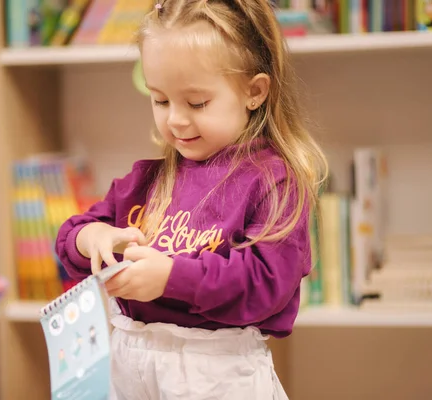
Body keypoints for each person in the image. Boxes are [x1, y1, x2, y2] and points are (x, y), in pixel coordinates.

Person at [55, 0, 328, 398]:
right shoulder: (146, 181)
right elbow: (69, 240)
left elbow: (265, 286)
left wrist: (171, 278)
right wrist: (92, 237)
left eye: (197, 103)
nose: (176, 119)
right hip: (128, 367)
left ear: (254, 92)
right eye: (161, 100)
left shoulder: (273, 181)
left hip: (217, 374)